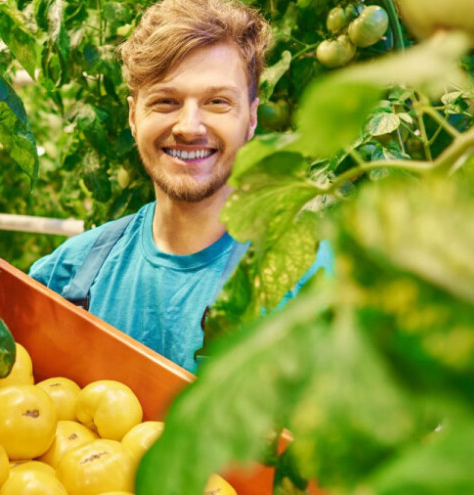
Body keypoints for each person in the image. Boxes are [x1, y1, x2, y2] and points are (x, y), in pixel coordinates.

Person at [29, 0, 330, 372]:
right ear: (133, 116)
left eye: (217, 102)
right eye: (165, 101)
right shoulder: (67, 275)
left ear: (251, 118)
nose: (189, 127)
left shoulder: (313, 281)